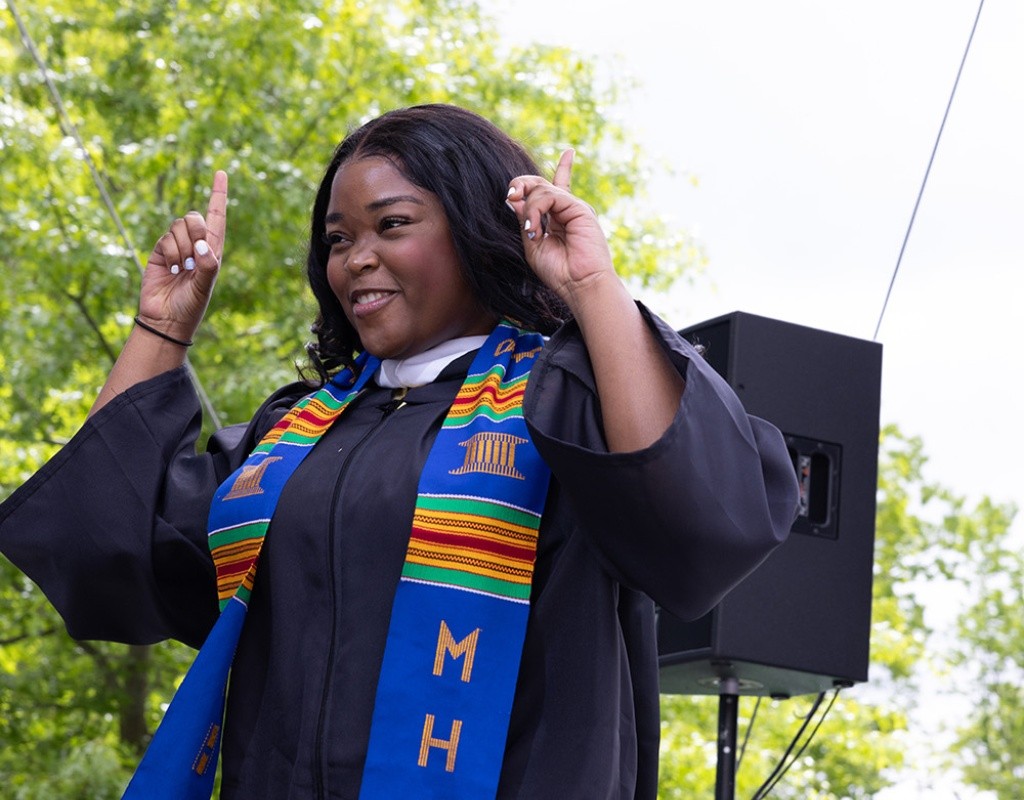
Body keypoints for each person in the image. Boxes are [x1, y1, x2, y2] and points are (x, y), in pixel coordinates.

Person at [0, 104, 798, 799]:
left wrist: (591, 288)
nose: (356, 258)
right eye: (337, 238)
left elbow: (696, 515)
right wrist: (161, 328)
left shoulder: (561, 401)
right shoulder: (293, 436)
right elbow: (103, 539)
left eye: (392, 225)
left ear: (476, 231)